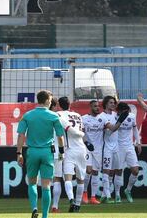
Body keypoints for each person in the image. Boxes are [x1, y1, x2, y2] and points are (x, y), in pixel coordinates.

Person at [16, 90, 65, 218]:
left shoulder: (27, 115)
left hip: (32, 152)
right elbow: (60, 136)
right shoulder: (53, 116)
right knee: (46, 185)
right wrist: (61, 152)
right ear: (48, 100)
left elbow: (21, 135)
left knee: (32, 182)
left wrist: (19, 153)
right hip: (47, 152)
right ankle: (44, 216)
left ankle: (34, 208)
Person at [57, 96, 91, 213]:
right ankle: (77, 204)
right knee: (81, 179)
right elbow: (82, 131)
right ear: (69, 104)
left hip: (69, 149)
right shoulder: (77, 115)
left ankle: (71, 198)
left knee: (68, 177)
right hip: (81, 148)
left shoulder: (59, 114)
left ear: (59, 105)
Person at [99, 95, 129, 203]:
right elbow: (113, 128)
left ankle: (114, 195)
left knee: (116, 171)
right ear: (106, 104)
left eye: (114, 103)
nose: (113, 104)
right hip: (106, 147)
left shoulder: (116, 114)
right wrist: (121, 120)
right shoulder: (102, 116)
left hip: (116, 147)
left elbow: (125, 114)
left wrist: (122, 116)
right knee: (106, 171)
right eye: (111, 103)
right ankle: (107, 196)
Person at [114, 102, 141, 203]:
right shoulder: (115, 117)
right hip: (119, 147)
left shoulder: (132, 116)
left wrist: (138, 143)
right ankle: (117, 194)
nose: (126, 113)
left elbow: (135, 129)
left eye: (127, 111)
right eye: (123, 112)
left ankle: (128, 190)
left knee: (135, 170)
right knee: (119, 171)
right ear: (119, 111)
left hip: (130, 146)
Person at [81, 100, 105, 205]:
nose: (97, 108)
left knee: (95, 172)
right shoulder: (84, 118)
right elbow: (81, 132)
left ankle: (93, 197)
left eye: (98, 106)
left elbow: (110, 128)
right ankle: (84, 193)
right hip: (87, 148)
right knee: (88, 170)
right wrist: (86, 142)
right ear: (90, 107)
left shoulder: (102, 119)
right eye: (95, 106)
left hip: (98, 149)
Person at [49, 98, 64, 213]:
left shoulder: (39, 117)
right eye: (56, 106)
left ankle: (45, 207)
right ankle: (55, 206)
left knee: (46, 180)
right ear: (53, 106)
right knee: (57, 179)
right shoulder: (57, 117)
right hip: (56, 151)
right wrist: (62, 151)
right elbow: (60, 135)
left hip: (44, 151)